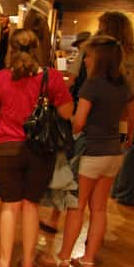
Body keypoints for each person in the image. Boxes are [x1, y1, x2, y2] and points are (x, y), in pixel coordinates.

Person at [0, 29, 73, 267]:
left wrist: (7, 113)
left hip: (7, 148)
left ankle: (3, 262)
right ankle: (29, 262)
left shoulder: (1, 78)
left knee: (10, 206)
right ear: (38, 48)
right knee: (31, 205)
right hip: (40, 150)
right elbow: (66, 112)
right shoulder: (51, 78)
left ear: (11, 49)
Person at [40, 36, 134, 267]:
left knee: (76, 206)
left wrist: (68, 121)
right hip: (113, 153)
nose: (85, 61)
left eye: (89, 56)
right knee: (100, 208)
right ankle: (89, 258)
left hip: (91, 152)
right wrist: (127, 138)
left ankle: (63, 256)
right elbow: (132, 116)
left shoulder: (92, 85)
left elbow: (79, 122)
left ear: (98, 59)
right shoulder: (123, 85)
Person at [39, 30, 92, 234]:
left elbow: (69, 82)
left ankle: (55, 219)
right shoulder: (119, 70)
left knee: (67, 170)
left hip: (78, 123)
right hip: (101, 135)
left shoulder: (90, 77)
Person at [102, 12, 134, 206]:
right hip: (122, 113)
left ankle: (118, 189)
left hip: (107, 113)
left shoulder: (100, 55)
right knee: (127, 152)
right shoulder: (131, 57)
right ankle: (121, 190)